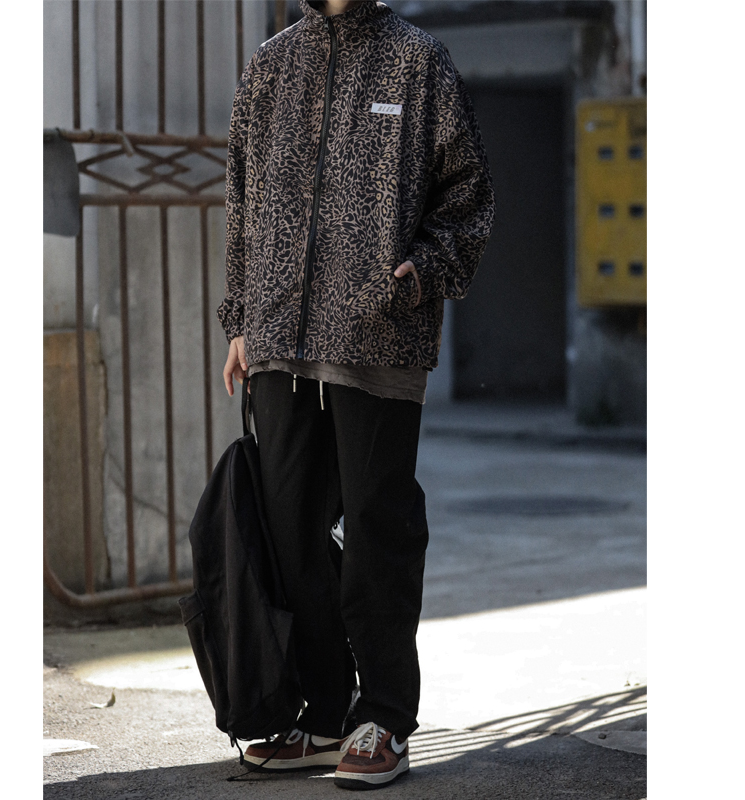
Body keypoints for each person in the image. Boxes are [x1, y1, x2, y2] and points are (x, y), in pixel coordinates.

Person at [218, 0, 494, 789]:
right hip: (278, 339)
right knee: (289, 530)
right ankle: (323, 712)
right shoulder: (272, 64)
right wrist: (241, 319)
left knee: (378, 525)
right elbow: (242, 197)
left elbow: (469, 195)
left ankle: (384, 715)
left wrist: (425, 272)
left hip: (379, 337)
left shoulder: (418, 61)